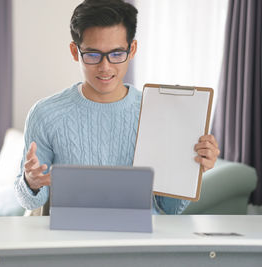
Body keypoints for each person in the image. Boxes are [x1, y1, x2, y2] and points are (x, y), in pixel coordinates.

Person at [14, 0, 220, 215]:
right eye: (93, 54)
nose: (105, 67)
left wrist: (191, 171)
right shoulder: (46, 114)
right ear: (75, 52)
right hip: (72, 242)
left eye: (116, 54)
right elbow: (27, 201)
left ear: (132, 50)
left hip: (141, 242)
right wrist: (31, 182)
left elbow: (168, 209)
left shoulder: (157, 113)